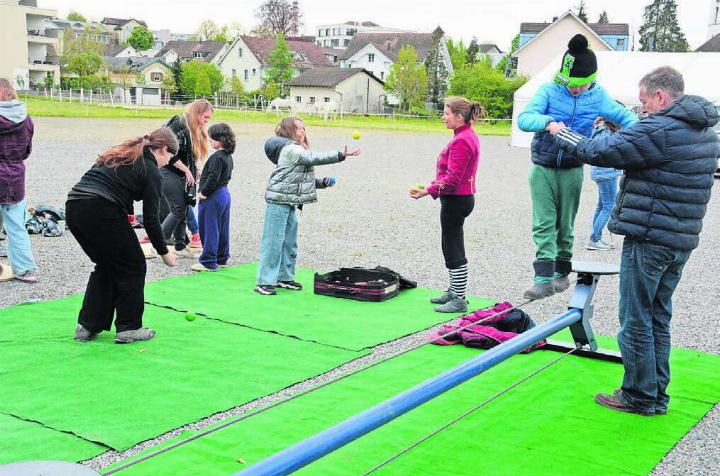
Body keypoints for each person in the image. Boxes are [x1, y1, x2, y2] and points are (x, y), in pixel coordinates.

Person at [552, 66, 719, 415]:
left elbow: (602, 151)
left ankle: (640, 396)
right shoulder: (706, 131)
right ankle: (655, 394)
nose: (640, 110)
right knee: (658, 315)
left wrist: (561, 132)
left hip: (649, 237)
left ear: (660, 96)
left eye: (643, 102)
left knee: (636, 318)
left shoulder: (660, 128)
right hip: (680, 239)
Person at [517, 34, 636, 300]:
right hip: (543, 167)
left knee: (565, 224)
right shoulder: (549, 90)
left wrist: (630, 140)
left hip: (572, 168)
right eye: (571, 84)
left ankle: (561, 274)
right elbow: (525, 119)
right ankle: (543, 278)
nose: (575, 89)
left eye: (581, 85)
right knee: (544, 222)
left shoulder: (599, 96)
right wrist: (547, 122)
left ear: (592, 79)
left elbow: (628, 119)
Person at [66, 128, 179, 344]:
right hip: (101, 209)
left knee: (107, 264)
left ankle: (88, 325)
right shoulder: (150, 169)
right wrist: (164, 252)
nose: (168, 163)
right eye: (170, 157)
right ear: (163, 149)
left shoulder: (121, 155)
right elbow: (152, 218)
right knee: (134, 265)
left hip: (74, 208)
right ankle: (129, 327)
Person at [255, 117, 359, 295]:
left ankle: (284, 277)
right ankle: (264, 281)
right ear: (289, 131)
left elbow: (301, 180)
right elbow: (314, 157)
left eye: (304, 128)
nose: (303, 131)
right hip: (279, 201)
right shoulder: (291, 149)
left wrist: (322, 182)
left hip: (292, 202)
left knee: (289, 242)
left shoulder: (297, 150)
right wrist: (340, 155)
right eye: (299, 129)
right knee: (273, 242)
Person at [409, 96, 482, 313]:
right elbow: (450, 176)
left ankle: (459, 298)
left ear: (459, 117)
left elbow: (452, 180)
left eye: (446, 113)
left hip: (456, 200)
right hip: (458, 198)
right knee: (449, 244)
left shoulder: (462, 139)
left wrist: (427, 191)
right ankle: (454, 291)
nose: (443, 117)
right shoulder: (465, 135)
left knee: (453, 248)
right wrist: (433, 185)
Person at [150, 99, 213, 258]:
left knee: (184, 208)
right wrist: (186, 170)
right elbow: (168, 151)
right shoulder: (178, 124)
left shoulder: (192, 128)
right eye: (205, 117)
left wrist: (195, 167)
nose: (206, 122)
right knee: (178, 209)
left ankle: (179, 246)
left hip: (180, 172)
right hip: (166, 170)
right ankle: (158, 244)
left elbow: (189, 154)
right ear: (197, 112)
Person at [0, 78, 38, 283]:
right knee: (16, 226)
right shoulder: (26, 119)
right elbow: (26, 151)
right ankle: (26, 269)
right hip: (14, 177)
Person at [192, 123, 235, 272]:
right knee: (222, 228)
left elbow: (213, 177)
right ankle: (222, 258)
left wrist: (203, 192)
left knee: (209, 228)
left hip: (213, 196)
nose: (210, 142)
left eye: (212, 140)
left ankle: (208, 261)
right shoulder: (228, 156)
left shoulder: (217, 157)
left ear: (221, 139)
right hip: (224, 194)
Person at [586, 118, 621, 251]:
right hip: (606, 172)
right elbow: (606, 152)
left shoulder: (600, 130)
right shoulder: (606, 133)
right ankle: (594, 239)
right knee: (609, 206)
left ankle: (596, 237)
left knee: (601, 205)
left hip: (602, 172)